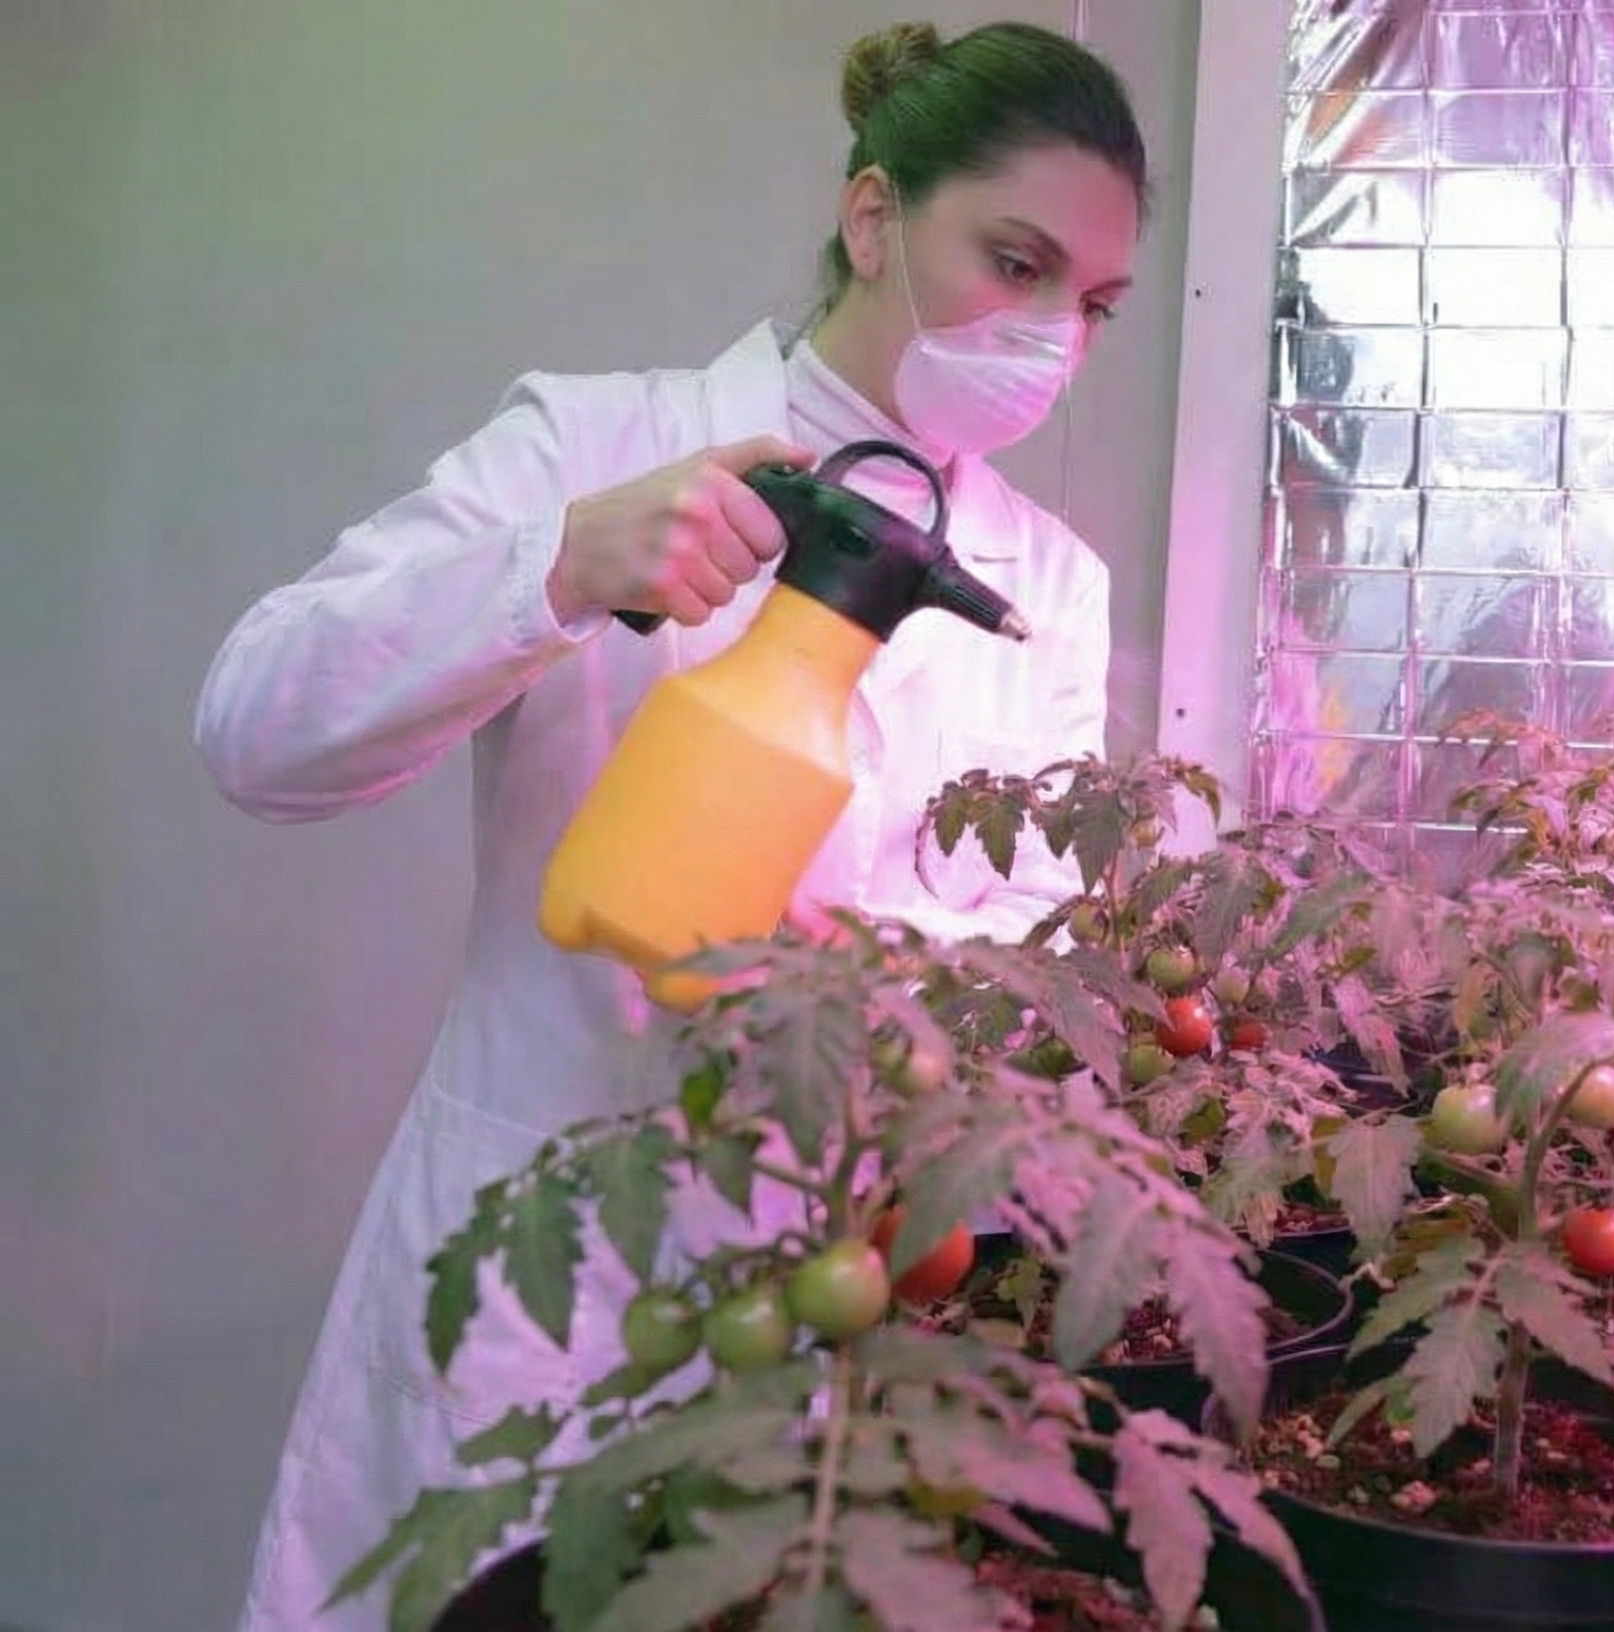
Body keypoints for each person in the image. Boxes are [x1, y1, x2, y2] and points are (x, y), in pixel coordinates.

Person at [194, 20, 1147, 1630]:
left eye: (1096, 306)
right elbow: (257, 728)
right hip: (552, 1275)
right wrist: (555, 571)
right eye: (1016, 262)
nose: (1053, 334)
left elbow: (1038, 962)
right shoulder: (600, 444)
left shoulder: (1051, 587)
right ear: (870, 219)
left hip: (849, 1304)